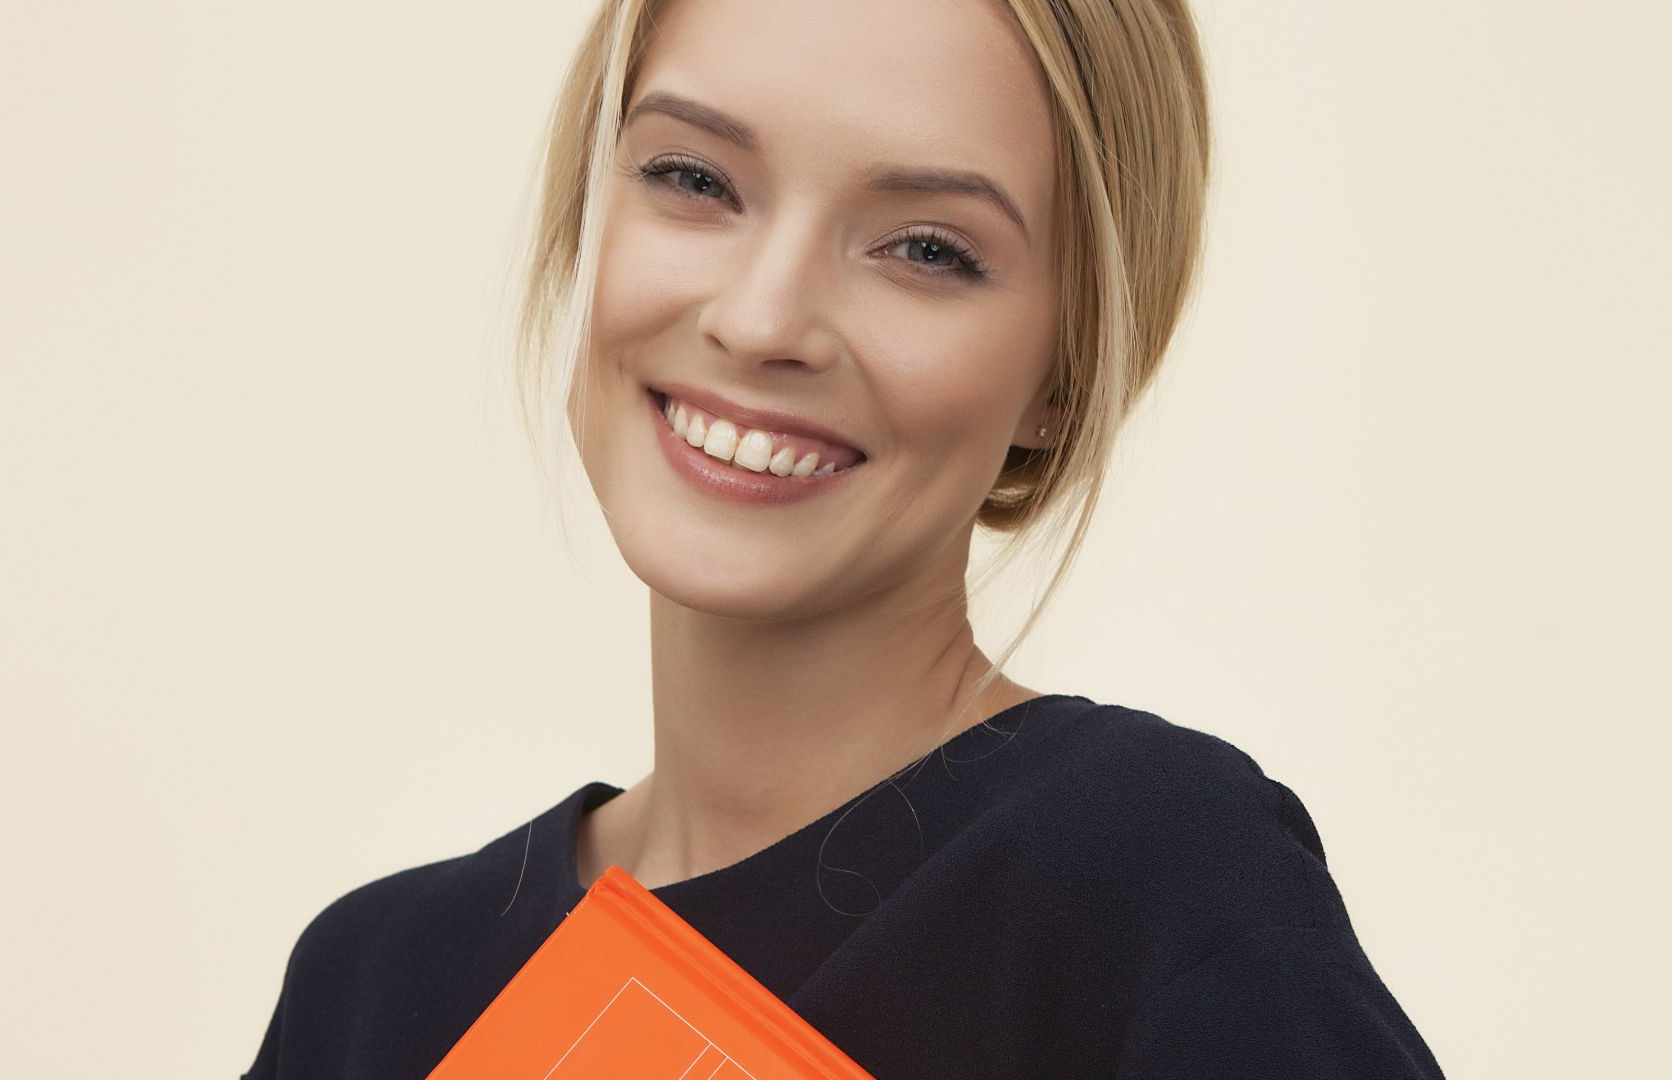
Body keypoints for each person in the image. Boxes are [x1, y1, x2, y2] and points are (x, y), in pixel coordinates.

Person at [241, 0, 1446, 1076]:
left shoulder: (1149, 885)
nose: (762, 319)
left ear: (1066, 372)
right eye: (694, 178)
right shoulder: (370, 986)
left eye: (927, 249)